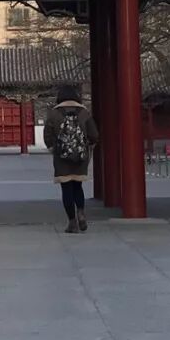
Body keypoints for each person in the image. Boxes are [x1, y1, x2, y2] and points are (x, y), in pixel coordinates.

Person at [42, 83, 99, 233]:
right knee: (77, 186)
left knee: (66, 188)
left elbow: (47, 135)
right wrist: (88, 147)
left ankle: (72, 222)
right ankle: (81, 212)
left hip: (62, 158)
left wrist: (53, 148)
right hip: (80, 157)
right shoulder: (84, 112)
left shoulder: (54, 113)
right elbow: (94, 135)